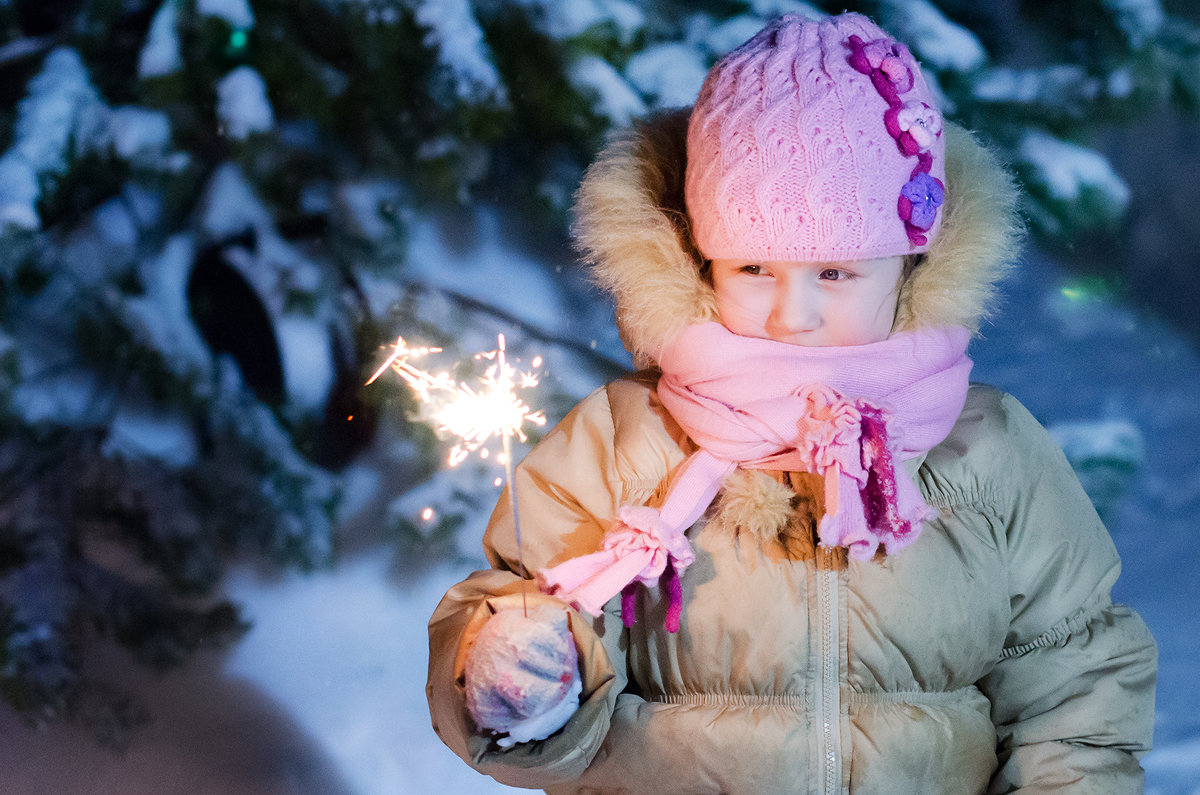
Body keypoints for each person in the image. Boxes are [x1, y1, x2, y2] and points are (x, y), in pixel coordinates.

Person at [426, 12, 1157, 793]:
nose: (791, 315)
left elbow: (1074, 681)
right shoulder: (626, 443)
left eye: (833, 274)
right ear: (702, 256)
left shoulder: (989, 453)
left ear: (909, 264)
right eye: (752, 269)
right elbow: (519, 597)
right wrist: (519, 669)